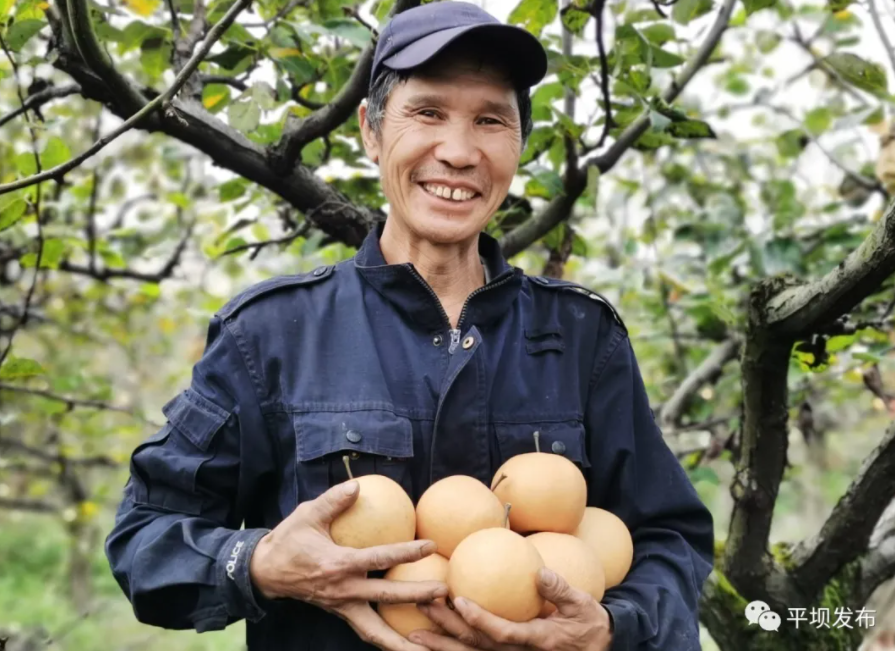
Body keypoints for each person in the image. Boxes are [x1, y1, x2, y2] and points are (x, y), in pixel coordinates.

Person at [105, 2, 715, 650]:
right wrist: (258, 561)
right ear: (371, 131)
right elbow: (146, 537)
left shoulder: (581, 337)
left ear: (518, 145)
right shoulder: (271, 335)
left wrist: (613, 627)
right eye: (427, 113)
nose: (456, 152)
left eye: (489, 120)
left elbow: (667, 539)